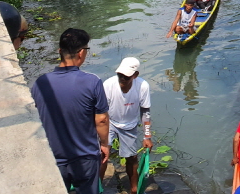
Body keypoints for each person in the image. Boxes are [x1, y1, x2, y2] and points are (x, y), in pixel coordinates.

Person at [31, 28, 109, 194]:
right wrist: (104, 144)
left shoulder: (40, 83)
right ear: (81, 53)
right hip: (85, 158)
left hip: (53, 156)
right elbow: (101, 120)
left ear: (60, 51)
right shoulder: (92, 82)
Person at [102, 58, 152, 194]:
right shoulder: (108, 85)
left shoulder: (142, 86)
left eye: (127, 76)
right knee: (102, 154)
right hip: (110, 122)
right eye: (120, 75)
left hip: (129, 125)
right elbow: (101, 112)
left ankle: (134, 189)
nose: (122, 78)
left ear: (135, 75)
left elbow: (145, 112)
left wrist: (147, 136)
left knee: (132, 157)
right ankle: (98, 187)